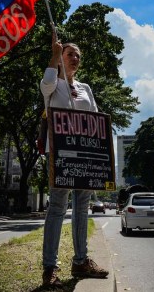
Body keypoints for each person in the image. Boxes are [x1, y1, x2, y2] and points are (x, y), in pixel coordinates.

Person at [40, 31, 109, 287]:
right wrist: (54, 55)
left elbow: (95, 118)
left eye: (78, 55)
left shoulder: (86, 88)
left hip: (85, 158)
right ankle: (50, 268)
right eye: (70, 54)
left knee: (81, 207)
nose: (75, 58)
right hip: (61, 157)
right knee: (57, 208)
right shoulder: (52, 85)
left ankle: (81, 261)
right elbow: (46, 83)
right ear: (61, 57)